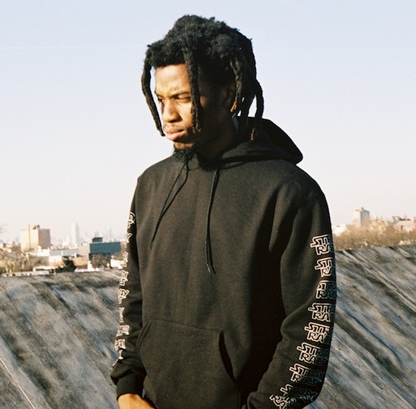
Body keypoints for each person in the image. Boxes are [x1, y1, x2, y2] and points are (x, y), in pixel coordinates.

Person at [111, 15, 336, 409]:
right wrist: (128, 388)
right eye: (161, 99)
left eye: (183, 97)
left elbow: (309, 324)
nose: (167, 114)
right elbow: (134, 296)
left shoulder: (289, 192)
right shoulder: (150, 185)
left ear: (229, 93)